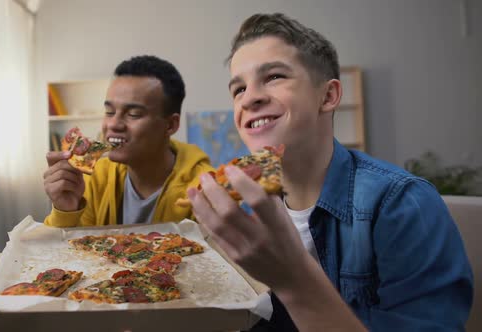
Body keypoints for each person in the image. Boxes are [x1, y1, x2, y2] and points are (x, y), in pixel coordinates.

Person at [188, 13, 473, 331]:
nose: (249, 98)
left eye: (274, 77)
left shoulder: (402, 203)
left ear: (328, 96)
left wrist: (293, 278)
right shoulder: (241, 208)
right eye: (238, 89)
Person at [44, 55, 213, 227]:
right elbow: (64, 252)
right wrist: (66, 210)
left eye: (133, 114)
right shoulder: (95, 178)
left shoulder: (205, 191)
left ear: (170, 125)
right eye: (109, 112)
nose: (113, 124)